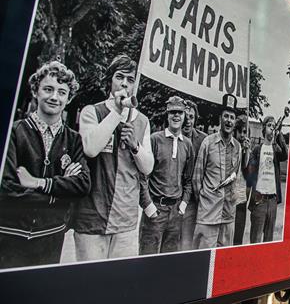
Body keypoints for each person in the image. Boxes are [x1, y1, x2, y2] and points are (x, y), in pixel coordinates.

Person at [0, 61, 90, 268]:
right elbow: (7, 188)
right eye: (48, 89)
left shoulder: (73, 139)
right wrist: (59, 195)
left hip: (52, 235)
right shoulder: (15, 132)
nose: (54, 97)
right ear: (35, 91)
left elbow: (83, 185)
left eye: (62, 92)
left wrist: (39, 183)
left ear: (69, 99)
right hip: (11, 234)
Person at [72, 54, 154, 260]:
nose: (124, 83)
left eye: (130, 79)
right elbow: (91, 148)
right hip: (93, 216)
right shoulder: (92, 111)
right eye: (119, 77)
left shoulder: (142, 121)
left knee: (118, 282)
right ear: (110, 79)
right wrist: (117, 111)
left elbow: (148, 167)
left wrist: (136, 146)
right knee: (89, 283)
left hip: (125, 220)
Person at [139, 96, 194, 254]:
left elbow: (188, 180)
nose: (176, 116)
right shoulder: (155, 139)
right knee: (147, 260)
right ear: (167, 115)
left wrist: (182, 205)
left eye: (180, 113)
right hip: (155, 210)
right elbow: (143, 176)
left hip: (175, 213)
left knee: (168, 262)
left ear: (184, 116)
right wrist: (148, 206)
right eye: (172, 112)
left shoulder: (188, 144)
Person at [193, 94, 241, 249]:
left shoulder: (238, 147)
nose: (228, 120)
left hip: (227, 215)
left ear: (235, 122)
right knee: (203, 259)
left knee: (224, 261)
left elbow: (236, 178)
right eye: (225, 116)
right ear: (220, 119)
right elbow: (197, 179)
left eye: (232, 117)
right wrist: (206, 201)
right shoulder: (208, 142)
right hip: (208, 215)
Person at [247, 116, 288, 243]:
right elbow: (249, 174)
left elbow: (285, 155)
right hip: (259, 199)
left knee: (268, 239)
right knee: (256, 238)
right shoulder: (257, 150)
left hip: (272, 201)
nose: (272, 127)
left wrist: (279, 134)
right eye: (269, 125)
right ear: (264, 128)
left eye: (274, 125)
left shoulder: (276, 149)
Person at [180, 99, 207, 250]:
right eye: (185, 116)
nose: (188, 121)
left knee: (187, 242)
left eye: (191, 117)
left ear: (195, 119)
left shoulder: (203, 140)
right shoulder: (172, 136)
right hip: (175, 196)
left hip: (192, 200)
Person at [233, 114, 251, 245]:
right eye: (240, 131)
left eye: (245, 132)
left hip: (241, 197)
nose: (243, 135)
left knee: (238, 235)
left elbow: (248, 172)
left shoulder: (247, 150)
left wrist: (247, 152)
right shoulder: (231, 147)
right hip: (228, 198)